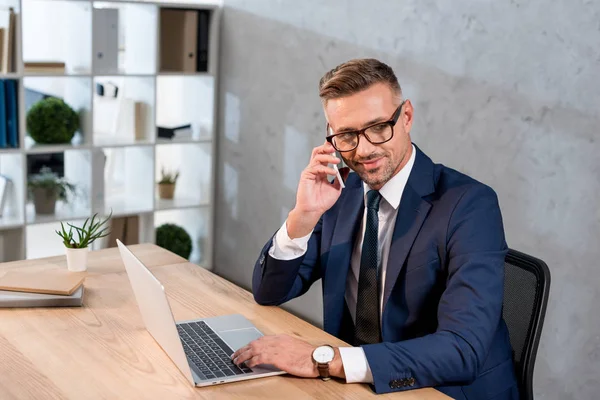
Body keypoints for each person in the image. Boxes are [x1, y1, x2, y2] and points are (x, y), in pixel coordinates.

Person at [231, 58, 519, 399]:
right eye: (347, 135)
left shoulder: (470, 205)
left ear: (406, 117)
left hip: (443, 390)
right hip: (357, 386)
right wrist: (303, 215)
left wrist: (323, 360)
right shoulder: (341, 192)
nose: (364, 149)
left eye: (379, 127)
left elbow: (461, 349)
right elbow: (270, 291)